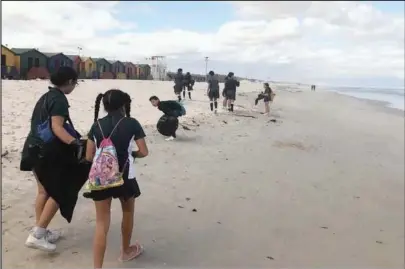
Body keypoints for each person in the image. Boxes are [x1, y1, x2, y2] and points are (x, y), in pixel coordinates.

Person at [20, 66, 87, 252]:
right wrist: (75, 143)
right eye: (76, 83)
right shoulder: (59, 100)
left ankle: (41, 230)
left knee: (43, 192)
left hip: (32, 148)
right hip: (45, 152)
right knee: (60, 190)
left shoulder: (47, 96)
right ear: (71, 82)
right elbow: (57, 127)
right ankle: (37, 235)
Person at [84, 89, 148, 269]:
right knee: (127, 213)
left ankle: (97, 266)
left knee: (101, 222)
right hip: (125, 176)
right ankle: (125, 251)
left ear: (104, 105)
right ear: (123, 105)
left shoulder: (96, 125)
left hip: (101, 177)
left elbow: (89, 156)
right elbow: (144, 151)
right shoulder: (131, 123)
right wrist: (131, 153)